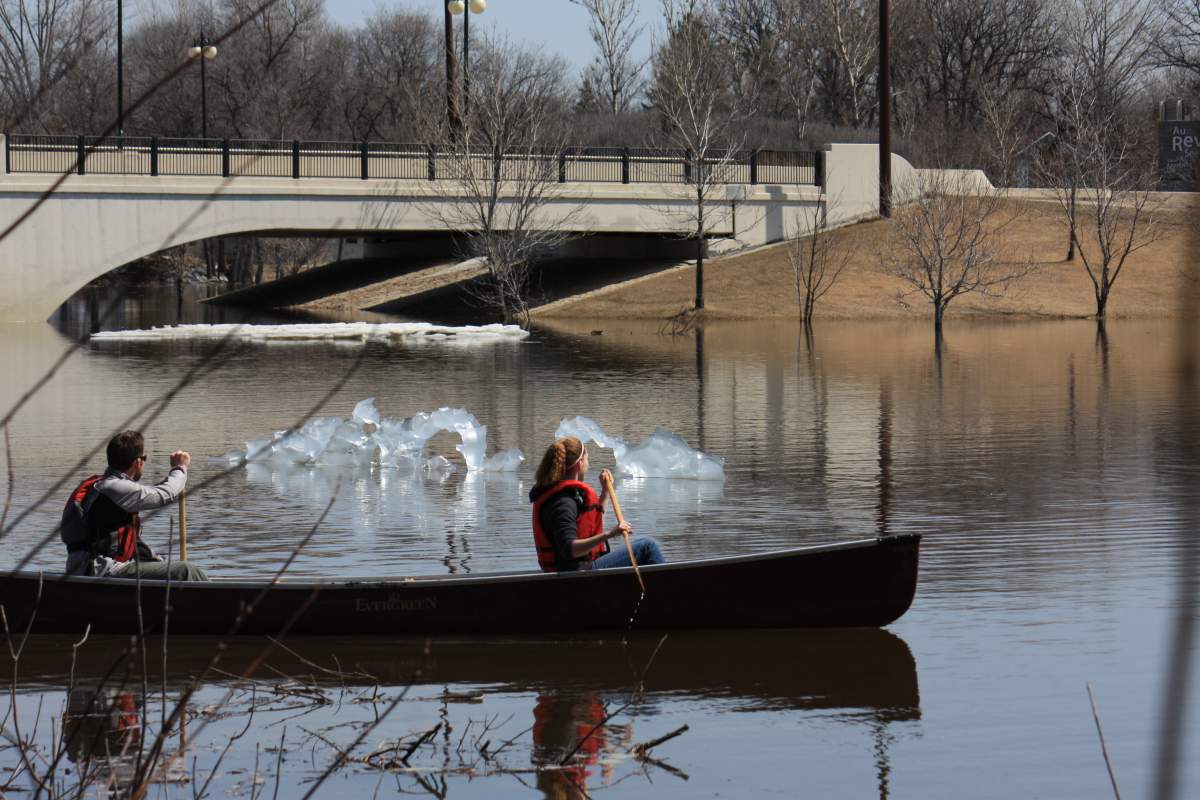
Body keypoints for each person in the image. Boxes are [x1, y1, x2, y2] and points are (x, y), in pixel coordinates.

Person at [61, 430, 208, 580]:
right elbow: (165, 494)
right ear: (138, 462)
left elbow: (152, 492)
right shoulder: (114, 488)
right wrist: (180, 467)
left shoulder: (102, 486)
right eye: (144, 459)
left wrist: (155, 559)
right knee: (186, 571)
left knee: (168, 564)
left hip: (86, 568)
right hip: (100, 569)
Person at [529, 436, 664, 572]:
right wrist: (610, 533)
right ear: (580, 463)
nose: (588, 465)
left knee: (641, 543)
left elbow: (592, 524)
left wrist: (605, 492)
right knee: (648, 547)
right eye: (587, 460)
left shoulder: (562, 495)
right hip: (577, 574)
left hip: (580, 568)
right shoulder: (563, 503)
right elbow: (570, 549)